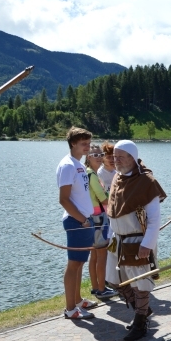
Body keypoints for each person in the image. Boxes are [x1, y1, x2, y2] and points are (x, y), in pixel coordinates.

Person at [105, 140, 167, 341]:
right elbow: (112, 211)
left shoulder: (146, 182)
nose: (116, 160)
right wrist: (109, 237)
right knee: (115, 282)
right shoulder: (117, 177)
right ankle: (144, 310)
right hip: (117, 241)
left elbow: (154, 219)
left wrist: (147, 244)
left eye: (121, 157)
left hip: (137, 241)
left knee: (140, 284)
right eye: (114, 156)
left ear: (133, 157)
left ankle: (140, 323)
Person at [56, 127, 98, 320]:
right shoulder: (67, 165)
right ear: (73, 143)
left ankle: (78, 300)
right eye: (83, 143)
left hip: (84, 220)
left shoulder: (79, 165)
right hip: (76, 221)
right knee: (73, 264)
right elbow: (63, 199)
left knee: (80, 263)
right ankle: (70, 309)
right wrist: (82, 220)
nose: (87, 147)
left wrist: (87, 219)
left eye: (88, 143)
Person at [85, 144, 117, 299]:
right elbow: (103, 197)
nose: (99, 157)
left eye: (100, 154)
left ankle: (96, 287)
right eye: (95, 155)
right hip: (98, 218)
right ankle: (102, 288)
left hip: (93, 216)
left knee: (95, 255)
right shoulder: (92, 174)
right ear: (88, 156)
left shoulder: (89, 173)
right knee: (101, 255)